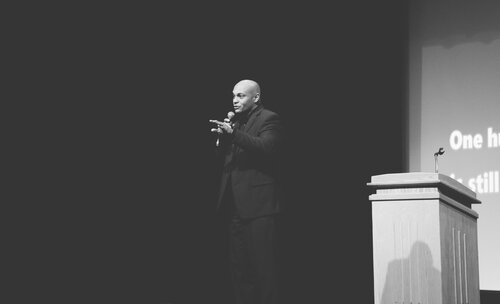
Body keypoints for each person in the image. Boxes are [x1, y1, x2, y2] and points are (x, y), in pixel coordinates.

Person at [210, 79, 285, 304]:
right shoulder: (237, 122)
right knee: (240, 271)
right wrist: (222, 140)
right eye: (233, 95)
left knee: (264, 271)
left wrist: (233, 134)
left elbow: (266, 148)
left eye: (241, 96)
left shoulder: (269, 118)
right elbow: (227, 162)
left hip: (259, 208)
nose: (235, 100)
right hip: (235, 207)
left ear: (256, 97)